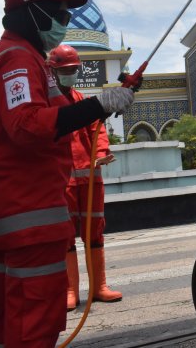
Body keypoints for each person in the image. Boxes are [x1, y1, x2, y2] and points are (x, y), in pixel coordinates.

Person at [0, 0, 135, 347]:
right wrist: (102, 102)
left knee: (2, 316)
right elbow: (27, 126)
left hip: (7, 213)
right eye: (59, 13)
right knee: (35, 321)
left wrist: (105, 102)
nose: (65, 22)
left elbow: (61, 118)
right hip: (27, 212)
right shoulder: (17, 61)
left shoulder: (15, 61)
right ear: (32, 11)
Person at [48, 44, 122, 311]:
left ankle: (99, 286)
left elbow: (97, 130)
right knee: (66, 235)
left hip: (90, 179)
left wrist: (101, 153)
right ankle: (69, 290)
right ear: (53, 72)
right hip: (63, 182)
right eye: (66, 71)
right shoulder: (50, 106)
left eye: (74, 70)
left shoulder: (84, 102)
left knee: (95, 232)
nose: (71, 75)